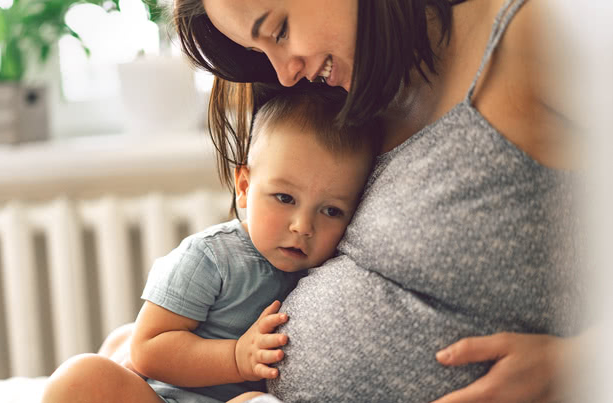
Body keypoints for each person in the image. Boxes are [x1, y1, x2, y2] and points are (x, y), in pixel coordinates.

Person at [170, 0, 589, 402]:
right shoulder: (343, 103)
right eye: (257, 50)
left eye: (279, 30)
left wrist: (577, 365)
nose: (284, 74)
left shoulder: (532, 36)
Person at [41, 86, 380, 403]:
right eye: (284, 197)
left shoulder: (333, 270)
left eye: (331, 211)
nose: (303, 226)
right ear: (244, 186)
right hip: (162, 397)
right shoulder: (211, 257)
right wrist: (236, 357)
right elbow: (147, 347)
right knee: (80, 376)